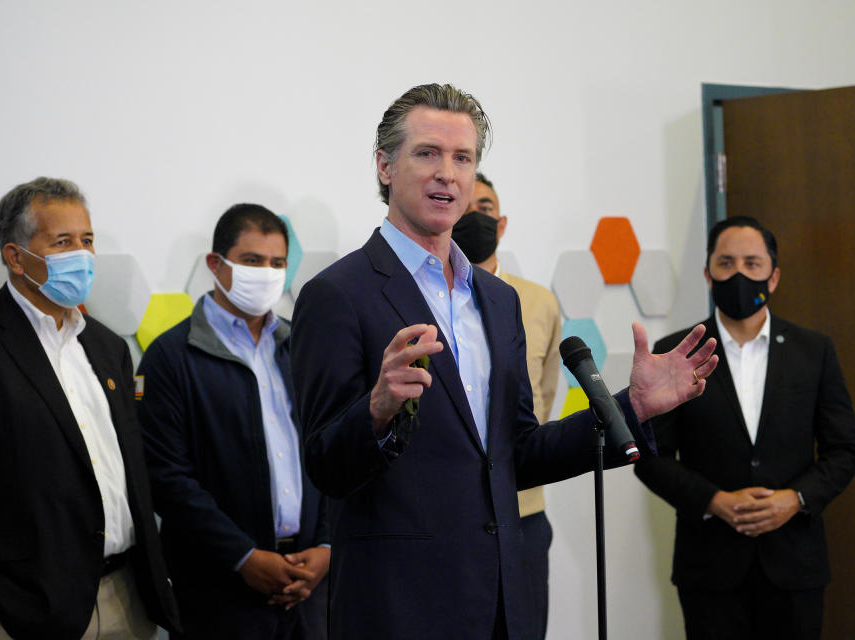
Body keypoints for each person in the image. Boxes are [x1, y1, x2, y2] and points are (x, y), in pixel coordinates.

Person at [288, 83, 719, 640]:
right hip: (397, 605)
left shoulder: (497, 300)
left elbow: (518, 453)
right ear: (384, 166)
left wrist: (631, 407)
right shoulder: (337, 294)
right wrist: (376, 410)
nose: (448, 172)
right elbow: (324, 465)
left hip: (499, 600)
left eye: (462, 158)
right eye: (427, 153)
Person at [0, 177, 180, 639]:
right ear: (15, 257)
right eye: (62, 242)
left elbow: (132, 469)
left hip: (128, 597)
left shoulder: (106, 346)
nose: (81, 254)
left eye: (87, 240)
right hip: (25, 610)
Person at [634, 215, 855, 640]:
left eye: (752, 264)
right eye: (726, 263)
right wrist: (713, 500)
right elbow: (649, 458)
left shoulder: (814, 351)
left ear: (773, 277)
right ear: (707, 274)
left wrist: (794, 500)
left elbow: (844, 450)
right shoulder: (676, 353)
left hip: (796, 565)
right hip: (710, 568)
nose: (739, 274)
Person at [135, 204, 329, 639]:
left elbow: (333, 450)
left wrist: (328, 548)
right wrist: (243, 557)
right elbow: (166, 478)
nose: (266, 273)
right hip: (219, 592)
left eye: (277, 263)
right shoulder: (171, 357)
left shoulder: (303, 347)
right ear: (215, 265)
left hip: (311, 587)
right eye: (251, 261)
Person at [452, 172, 561, 639]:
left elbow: (543, 396)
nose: (475, 216)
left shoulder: (537, 301)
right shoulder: (417, 296)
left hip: (523, 511)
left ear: (502, 222)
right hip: (451, 513)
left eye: (486, 207)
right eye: (465, 206)